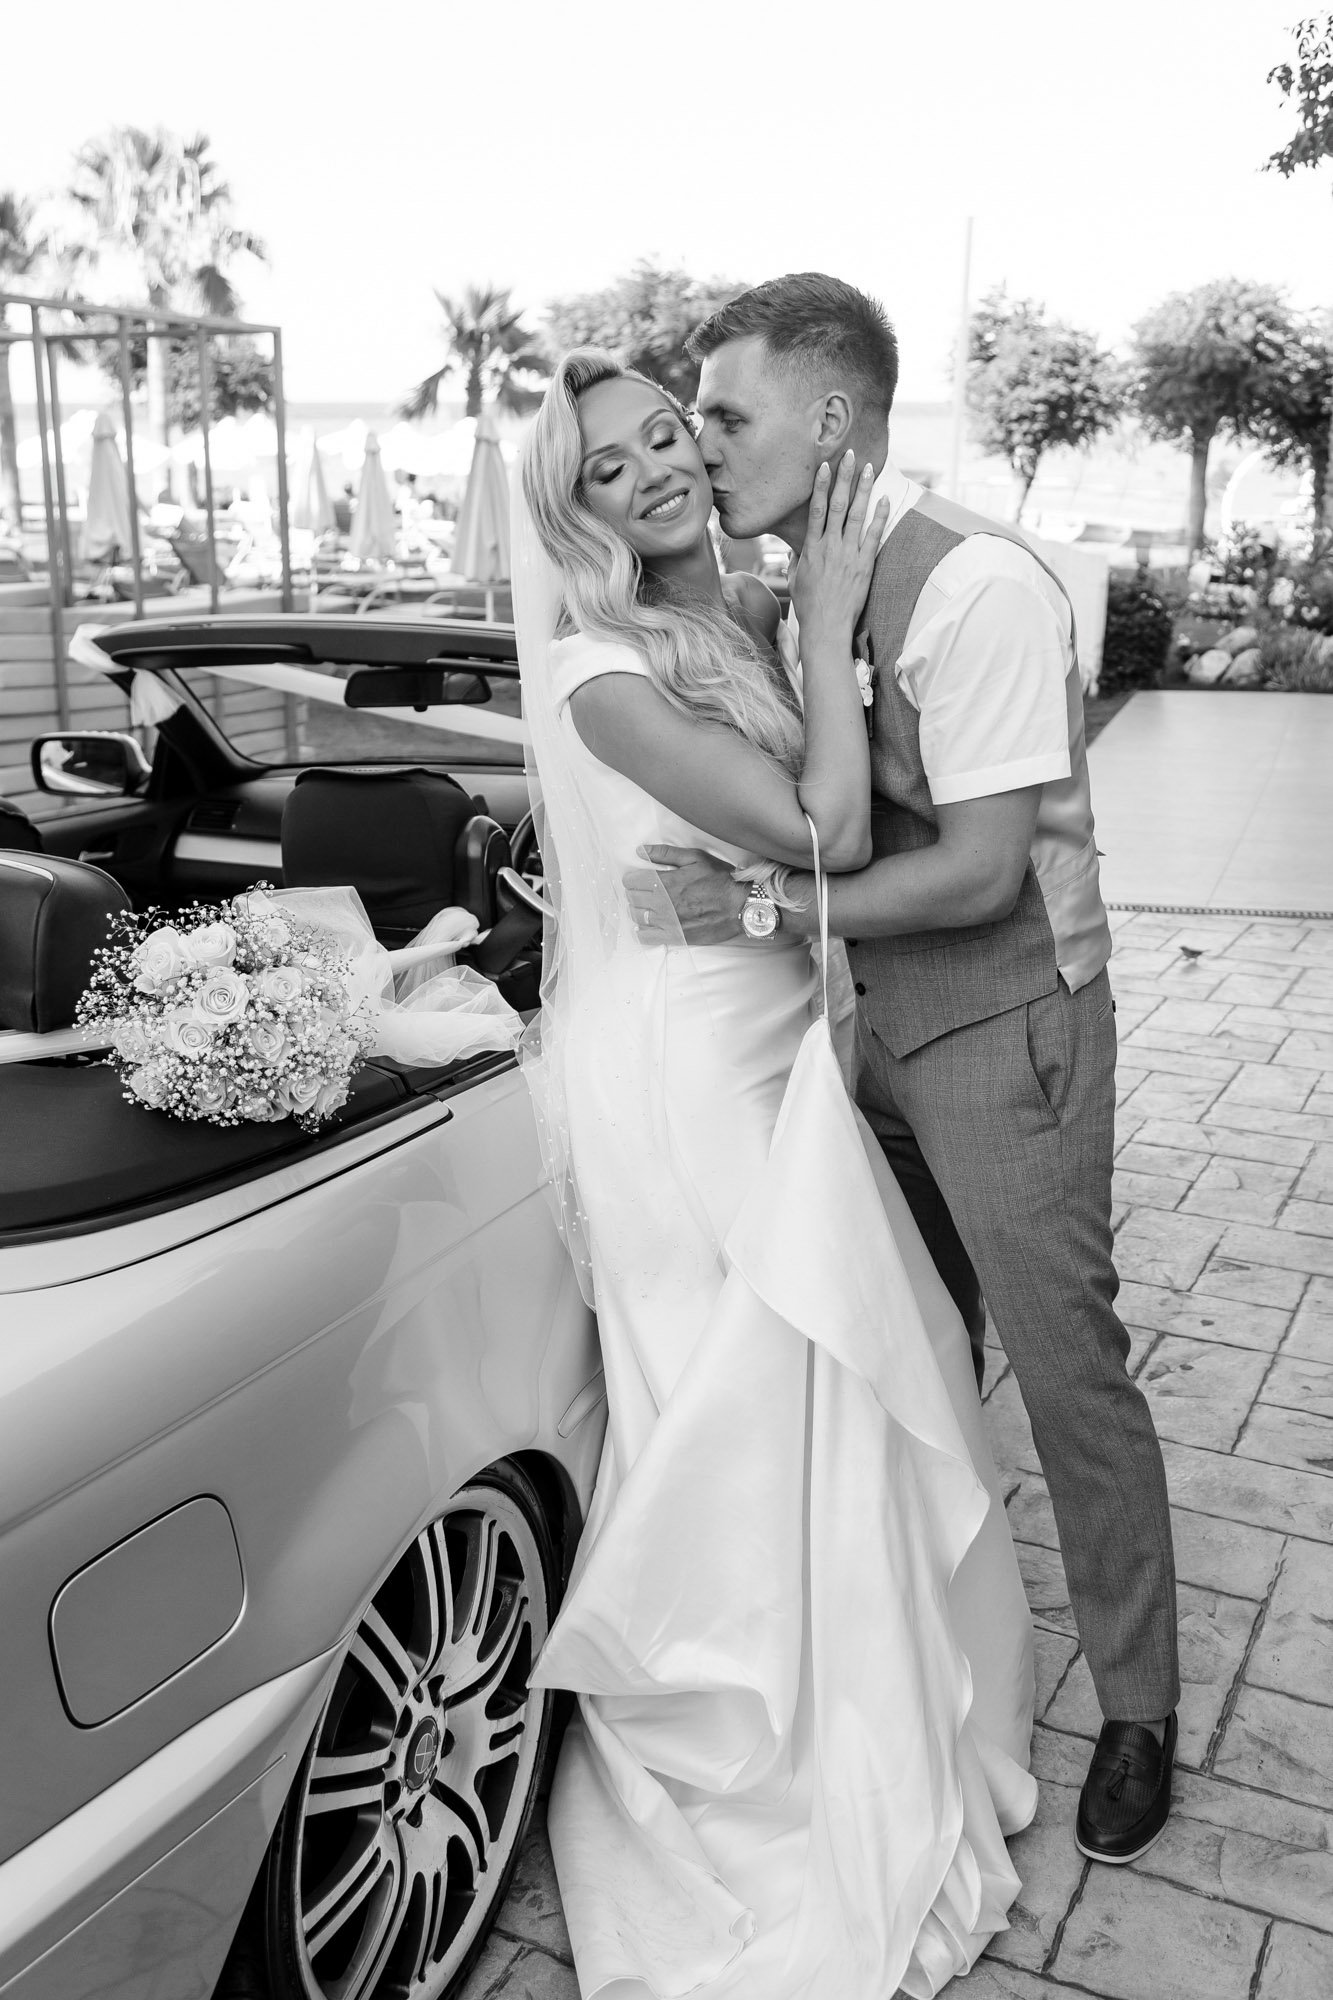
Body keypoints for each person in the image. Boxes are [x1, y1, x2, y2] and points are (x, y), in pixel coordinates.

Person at [629, 273, 1180, 1869]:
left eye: (725, 413)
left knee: (1063, 1365)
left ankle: (1136, 1704)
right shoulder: (800, 576)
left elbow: (978, 877)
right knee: (905, 1358)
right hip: (867, 1039)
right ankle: (925, 1652)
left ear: (828, 414)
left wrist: (754, 906)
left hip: (1008, 1030)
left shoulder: (975, 592)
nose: (705, 443)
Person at [514, 345, 1038, 1999]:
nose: (657, 469)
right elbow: (830, 834)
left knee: (825, 1376)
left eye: (666, 433)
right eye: (608, 467)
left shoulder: (719, 614)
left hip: (768, 1039)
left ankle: (857, 1692)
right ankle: (762, 1740)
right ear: (571, 509)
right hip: (685, 1071)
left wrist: (794, 614)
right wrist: (818, 607)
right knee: (756, 1385)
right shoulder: (600, 671)